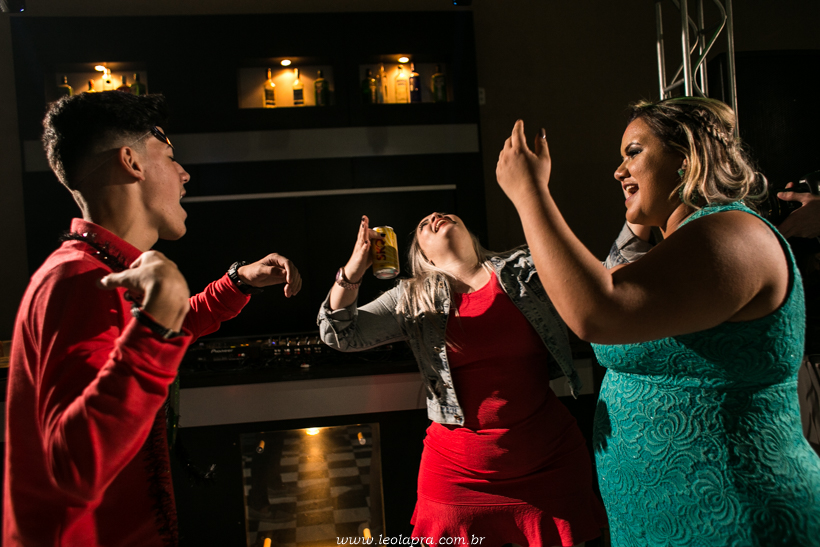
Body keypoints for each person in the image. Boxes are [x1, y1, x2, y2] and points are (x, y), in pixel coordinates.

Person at [495, 97, 820, 546]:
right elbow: (609, 280)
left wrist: (530, 194)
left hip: (734, 517)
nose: (618, 171)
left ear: (687, 159)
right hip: (654, 521)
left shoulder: (734, 234)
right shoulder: (674, 247)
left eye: (633, 152)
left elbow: (596, 309)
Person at [3, 91, 302, 547]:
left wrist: (237, 283)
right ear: (131, 162)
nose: (184, 174)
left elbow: (161, 332)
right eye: (170, 156)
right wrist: (156, 328)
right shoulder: (79, 280)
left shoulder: (98, 270)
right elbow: (73, 467)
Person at [318, 214, 607, 547]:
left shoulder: (524, 269)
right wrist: (353, 270)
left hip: (548, 461)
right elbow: (338, 333)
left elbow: (601, 278)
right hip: (457, 474)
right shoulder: (412, 296)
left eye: (443, 214)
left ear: (470, 233)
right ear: (422, 256)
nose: (433, 217)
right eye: (422, 226)